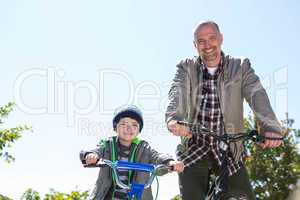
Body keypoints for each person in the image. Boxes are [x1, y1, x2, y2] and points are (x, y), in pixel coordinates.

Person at [165, 21, 284, 200]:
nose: (207, 45)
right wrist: (175, 119)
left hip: (229, 147)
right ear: (195, 45)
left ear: (221, 38)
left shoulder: (240, 67)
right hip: (195, 145)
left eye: (212, 38)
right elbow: (178, 92)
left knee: (243, 196)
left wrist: (270, 127)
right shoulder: (186, 67)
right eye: (201, 41)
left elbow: (257, 95)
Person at [80, 105, 184, 200]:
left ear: (139, 130)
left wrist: (170, 162)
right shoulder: (108, 145)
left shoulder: (144, 148)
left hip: (137, 195)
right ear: (115, 128)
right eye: (123, 124)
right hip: (108, 195)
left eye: (134, 125)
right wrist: (91, 155)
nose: (129, 128)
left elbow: (157, 156)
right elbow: (97, 150)